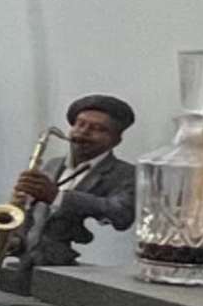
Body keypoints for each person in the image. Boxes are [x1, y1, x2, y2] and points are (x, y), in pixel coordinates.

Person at [13, 92, 139, 265]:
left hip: (77, 274)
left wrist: (57, 196)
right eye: (79, 125)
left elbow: (121, 213)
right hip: (30, 267)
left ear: (116, 140)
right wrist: (14, 240)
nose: (83, 132)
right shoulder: (53, 165)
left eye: (97, 129)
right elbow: (36, 218)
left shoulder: (126, 174)